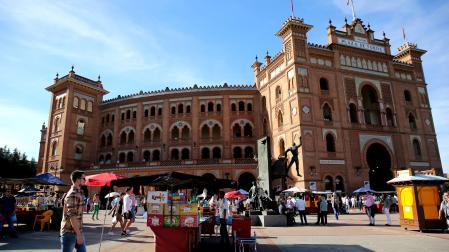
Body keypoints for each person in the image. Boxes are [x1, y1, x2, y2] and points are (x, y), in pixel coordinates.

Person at [60, 170, 86, 252]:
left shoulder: (79, 193)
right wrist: (78, 235)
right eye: (83, 178)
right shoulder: (73, 194)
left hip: (77, 230)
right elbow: (72, 216)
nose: (85, 180)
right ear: (78, 180)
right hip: (69, 232)